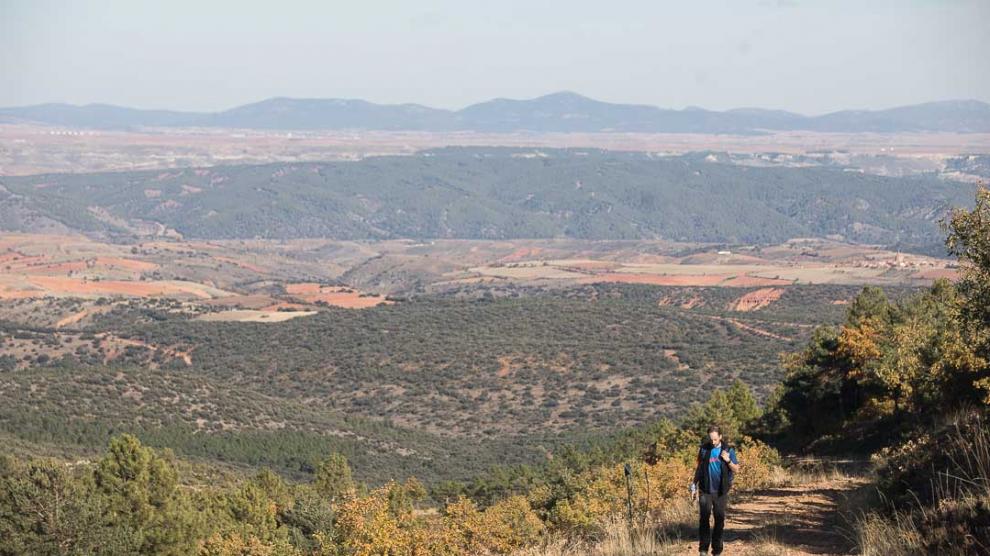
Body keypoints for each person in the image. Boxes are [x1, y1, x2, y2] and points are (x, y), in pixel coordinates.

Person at [690, 424, 740, 555]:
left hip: (720, 491)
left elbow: (736, 469)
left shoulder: (728, 450)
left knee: (719, 520)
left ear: (720, 437)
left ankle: (717, 550)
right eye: (711, 439)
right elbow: (699, 469)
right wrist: (693, 485)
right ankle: (703, 549)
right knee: (704, 519)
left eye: (715, 439)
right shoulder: (703, 450)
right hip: (705, 490)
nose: (713, 442)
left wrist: (728, 460)